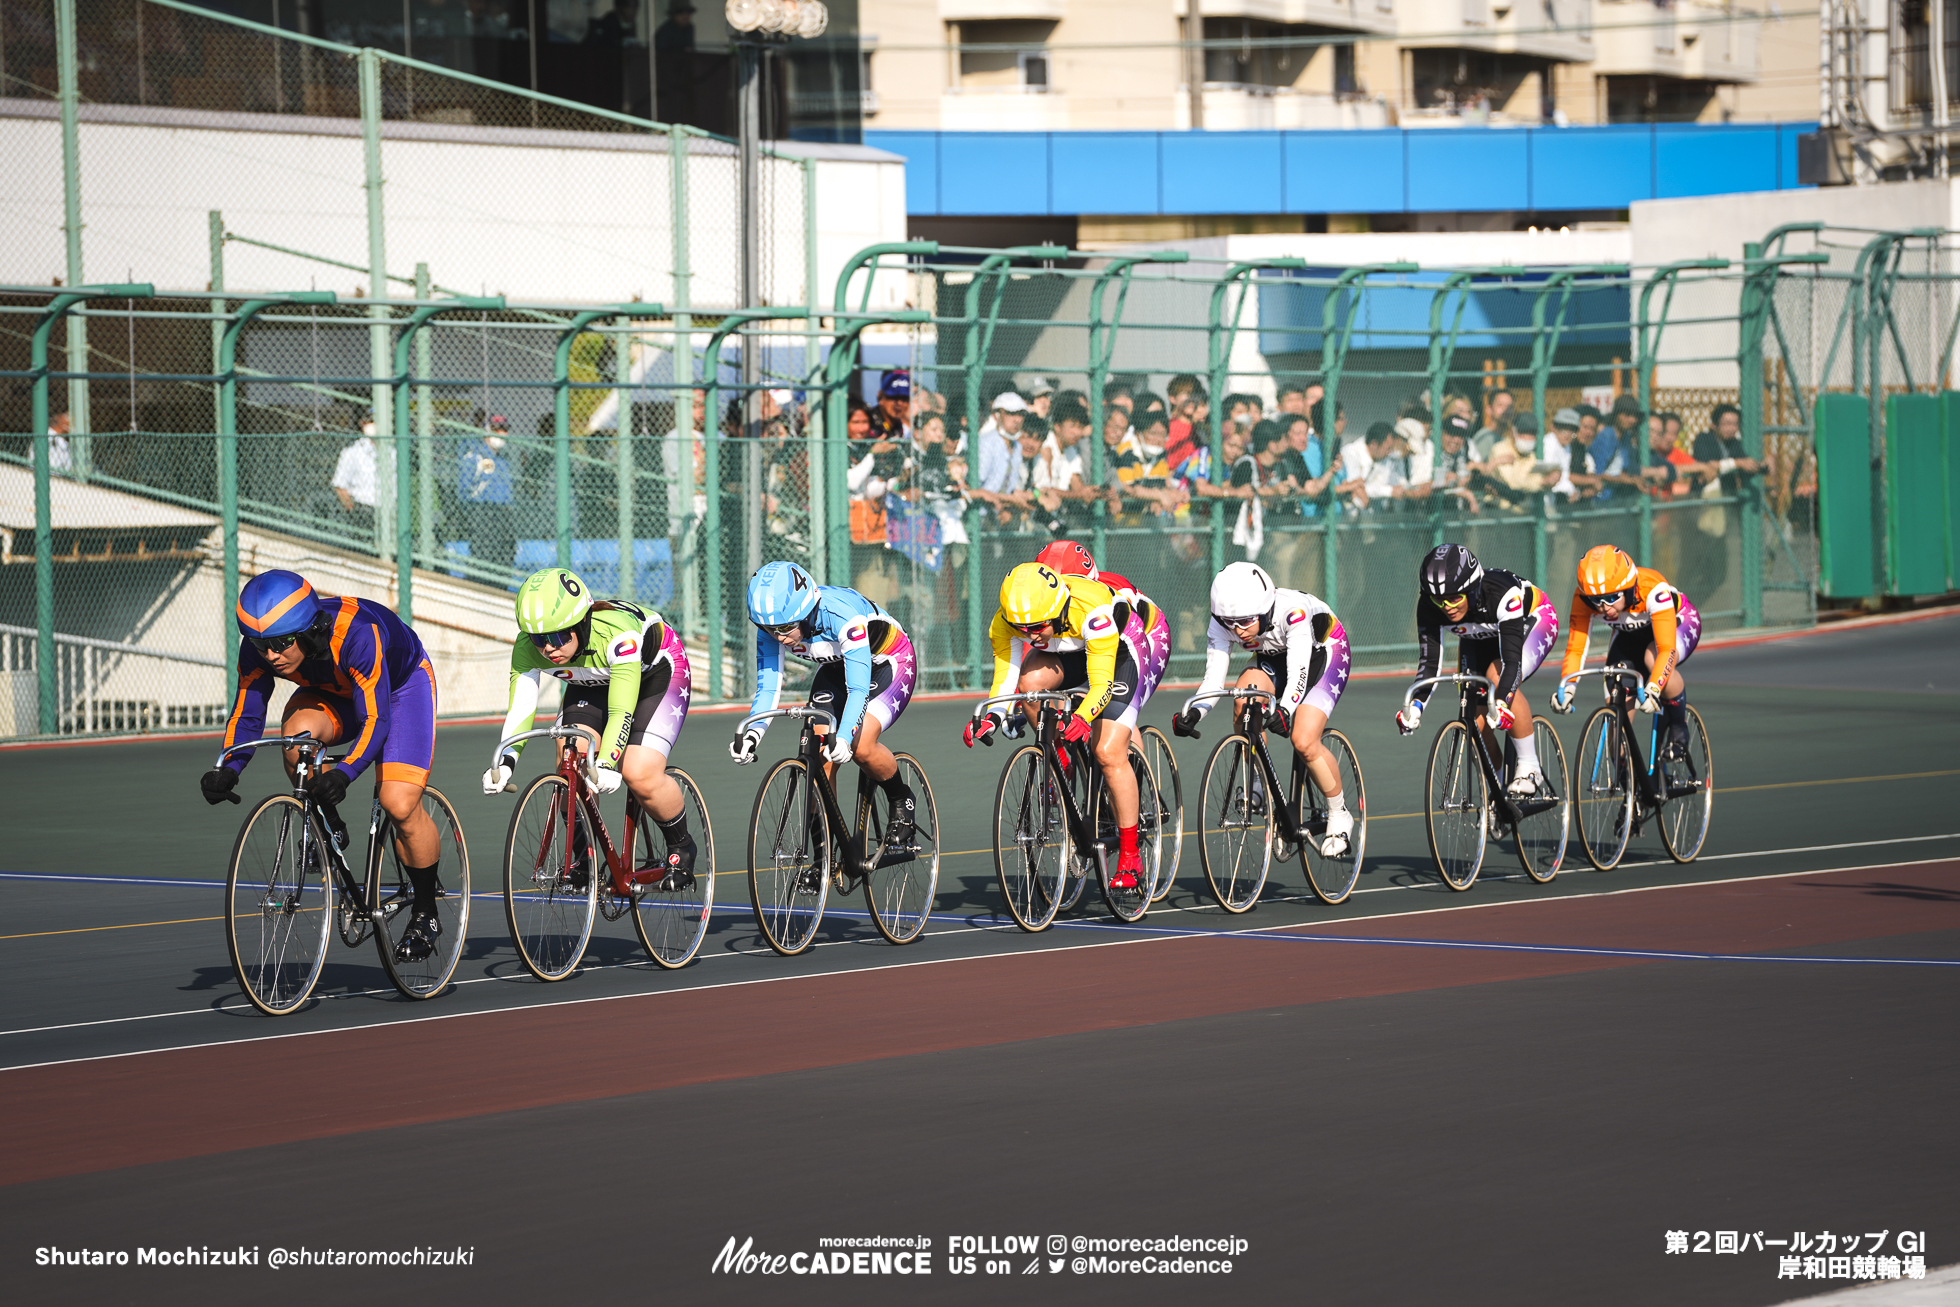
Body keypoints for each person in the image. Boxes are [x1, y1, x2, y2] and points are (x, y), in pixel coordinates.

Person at [204, 570, 446, 960]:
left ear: (310, 630)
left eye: (281, 644)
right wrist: (229, 766)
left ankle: (426, 912)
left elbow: (376, 720)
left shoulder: (359, 635)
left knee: (398, 802)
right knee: (295, 740)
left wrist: (346, 771)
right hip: (333, 691)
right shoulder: (263, 648)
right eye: (260, 644)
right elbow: (247, 712)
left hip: (399, 690)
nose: (270, 655)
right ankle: (328, 825)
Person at [486, 567, 698, 891]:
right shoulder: (529, 648)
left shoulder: (618, 637)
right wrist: (505, 761)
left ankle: (681, 845)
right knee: (569, 761)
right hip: (591, 682)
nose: (547, 649)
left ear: (581, 622)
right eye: (538, 639)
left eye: (557, 637)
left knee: (638, 772)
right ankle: (582, 859)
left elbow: (621, 710)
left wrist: (610, 761)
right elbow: (520, 708)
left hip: (654, 674)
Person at [965, 562, 1171, 893]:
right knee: (1030, 685)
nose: (1030, 634)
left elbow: (1101, 683)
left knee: (1107, 750)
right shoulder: (1007, 621)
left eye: (1037, 626)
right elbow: (1006, 676)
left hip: (1121, 651)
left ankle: (1131, 855)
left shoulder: (1093, 611)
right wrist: (993, 716)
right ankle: (1061, 761)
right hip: (1070, 649)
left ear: (1058, 607)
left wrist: (1083, 716)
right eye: (1023, 628)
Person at [732, 562, 920, 855]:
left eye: (785, 628)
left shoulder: (841, 617)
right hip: (837, 667)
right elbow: (768, 688)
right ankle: (824, 856)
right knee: (819, 760)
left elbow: (857, 689)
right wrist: (753, 733)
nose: (778, 637)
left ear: (807, 613)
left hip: (887, 663)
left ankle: (901, 798)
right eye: (768, 629)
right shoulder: (773, 628)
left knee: (860, 745)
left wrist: (845, 734)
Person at [1173, 562, 1355, 856]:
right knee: (1243, 699)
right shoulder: (1226, 621)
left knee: (1304, 740)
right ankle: (1257, 782)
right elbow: (1214, 678)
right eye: (1228, 623)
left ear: (1265, 608)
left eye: (1244, 622)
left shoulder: (1292, 611)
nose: (1237, 631)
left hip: (1323, 652)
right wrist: (1195, 712)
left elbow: (1298, 672)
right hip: (1275, 657)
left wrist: (1285, 709)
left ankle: (1340, 813)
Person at [1396, 543, 1561, 798]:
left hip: (1532, 622)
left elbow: (1512, 663)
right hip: (1478, 635)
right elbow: (1429, 664)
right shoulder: (1429, 606)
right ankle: (1496, 792)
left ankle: (1530, 767)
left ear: (1472, 590)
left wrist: (1504, 700)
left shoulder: (1502, 595)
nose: (1447, 606)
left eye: (1454, 598)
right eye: (1439, 600)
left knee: (1498, 679)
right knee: (1473, 717)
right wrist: (1415, 706)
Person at [1550, 546, 1702, 756]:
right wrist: (1568, 688)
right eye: (1596, 600)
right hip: (1629, 636)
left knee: (1652, 657)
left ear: (1628, 588)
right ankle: (1630, 781)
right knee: (1616, 711)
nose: (1603, 607)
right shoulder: (1583, 598)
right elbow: (1576, 648)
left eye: (1611, 597)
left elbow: (1666, 649)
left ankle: (1678, 726)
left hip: (1678, 624)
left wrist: (1654, 688)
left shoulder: (1652, 589)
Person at [455, 413, 516, 574]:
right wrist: (472, 513)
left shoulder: (504, 459)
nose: (502, 434)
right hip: (482, 511)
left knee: (506, 555)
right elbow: (464, 489)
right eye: (497, 429)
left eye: (504, 430)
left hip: (504, 512)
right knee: (483, 557)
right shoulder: (475, 456)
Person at [331, 412, 379, 531]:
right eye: (370, 421)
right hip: (365, 509)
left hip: (391, 508)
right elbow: (340, 485)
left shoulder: (394, 451)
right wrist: (353, 510)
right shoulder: (353, 452)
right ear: (363, 424)